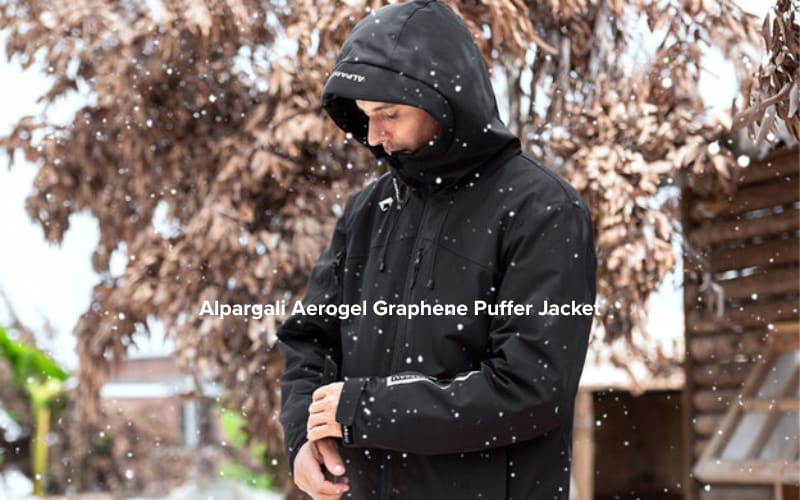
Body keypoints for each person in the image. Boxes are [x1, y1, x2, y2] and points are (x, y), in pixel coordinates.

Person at [277, 1, 597, 498]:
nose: (375, 137)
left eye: (390, 114)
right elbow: (312, 341)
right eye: (365, 117)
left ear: (444, 100)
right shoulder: (367, 211)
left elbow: (531, 388)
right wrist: (303, 436)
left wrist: (365, 410)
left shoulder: (543, 211)